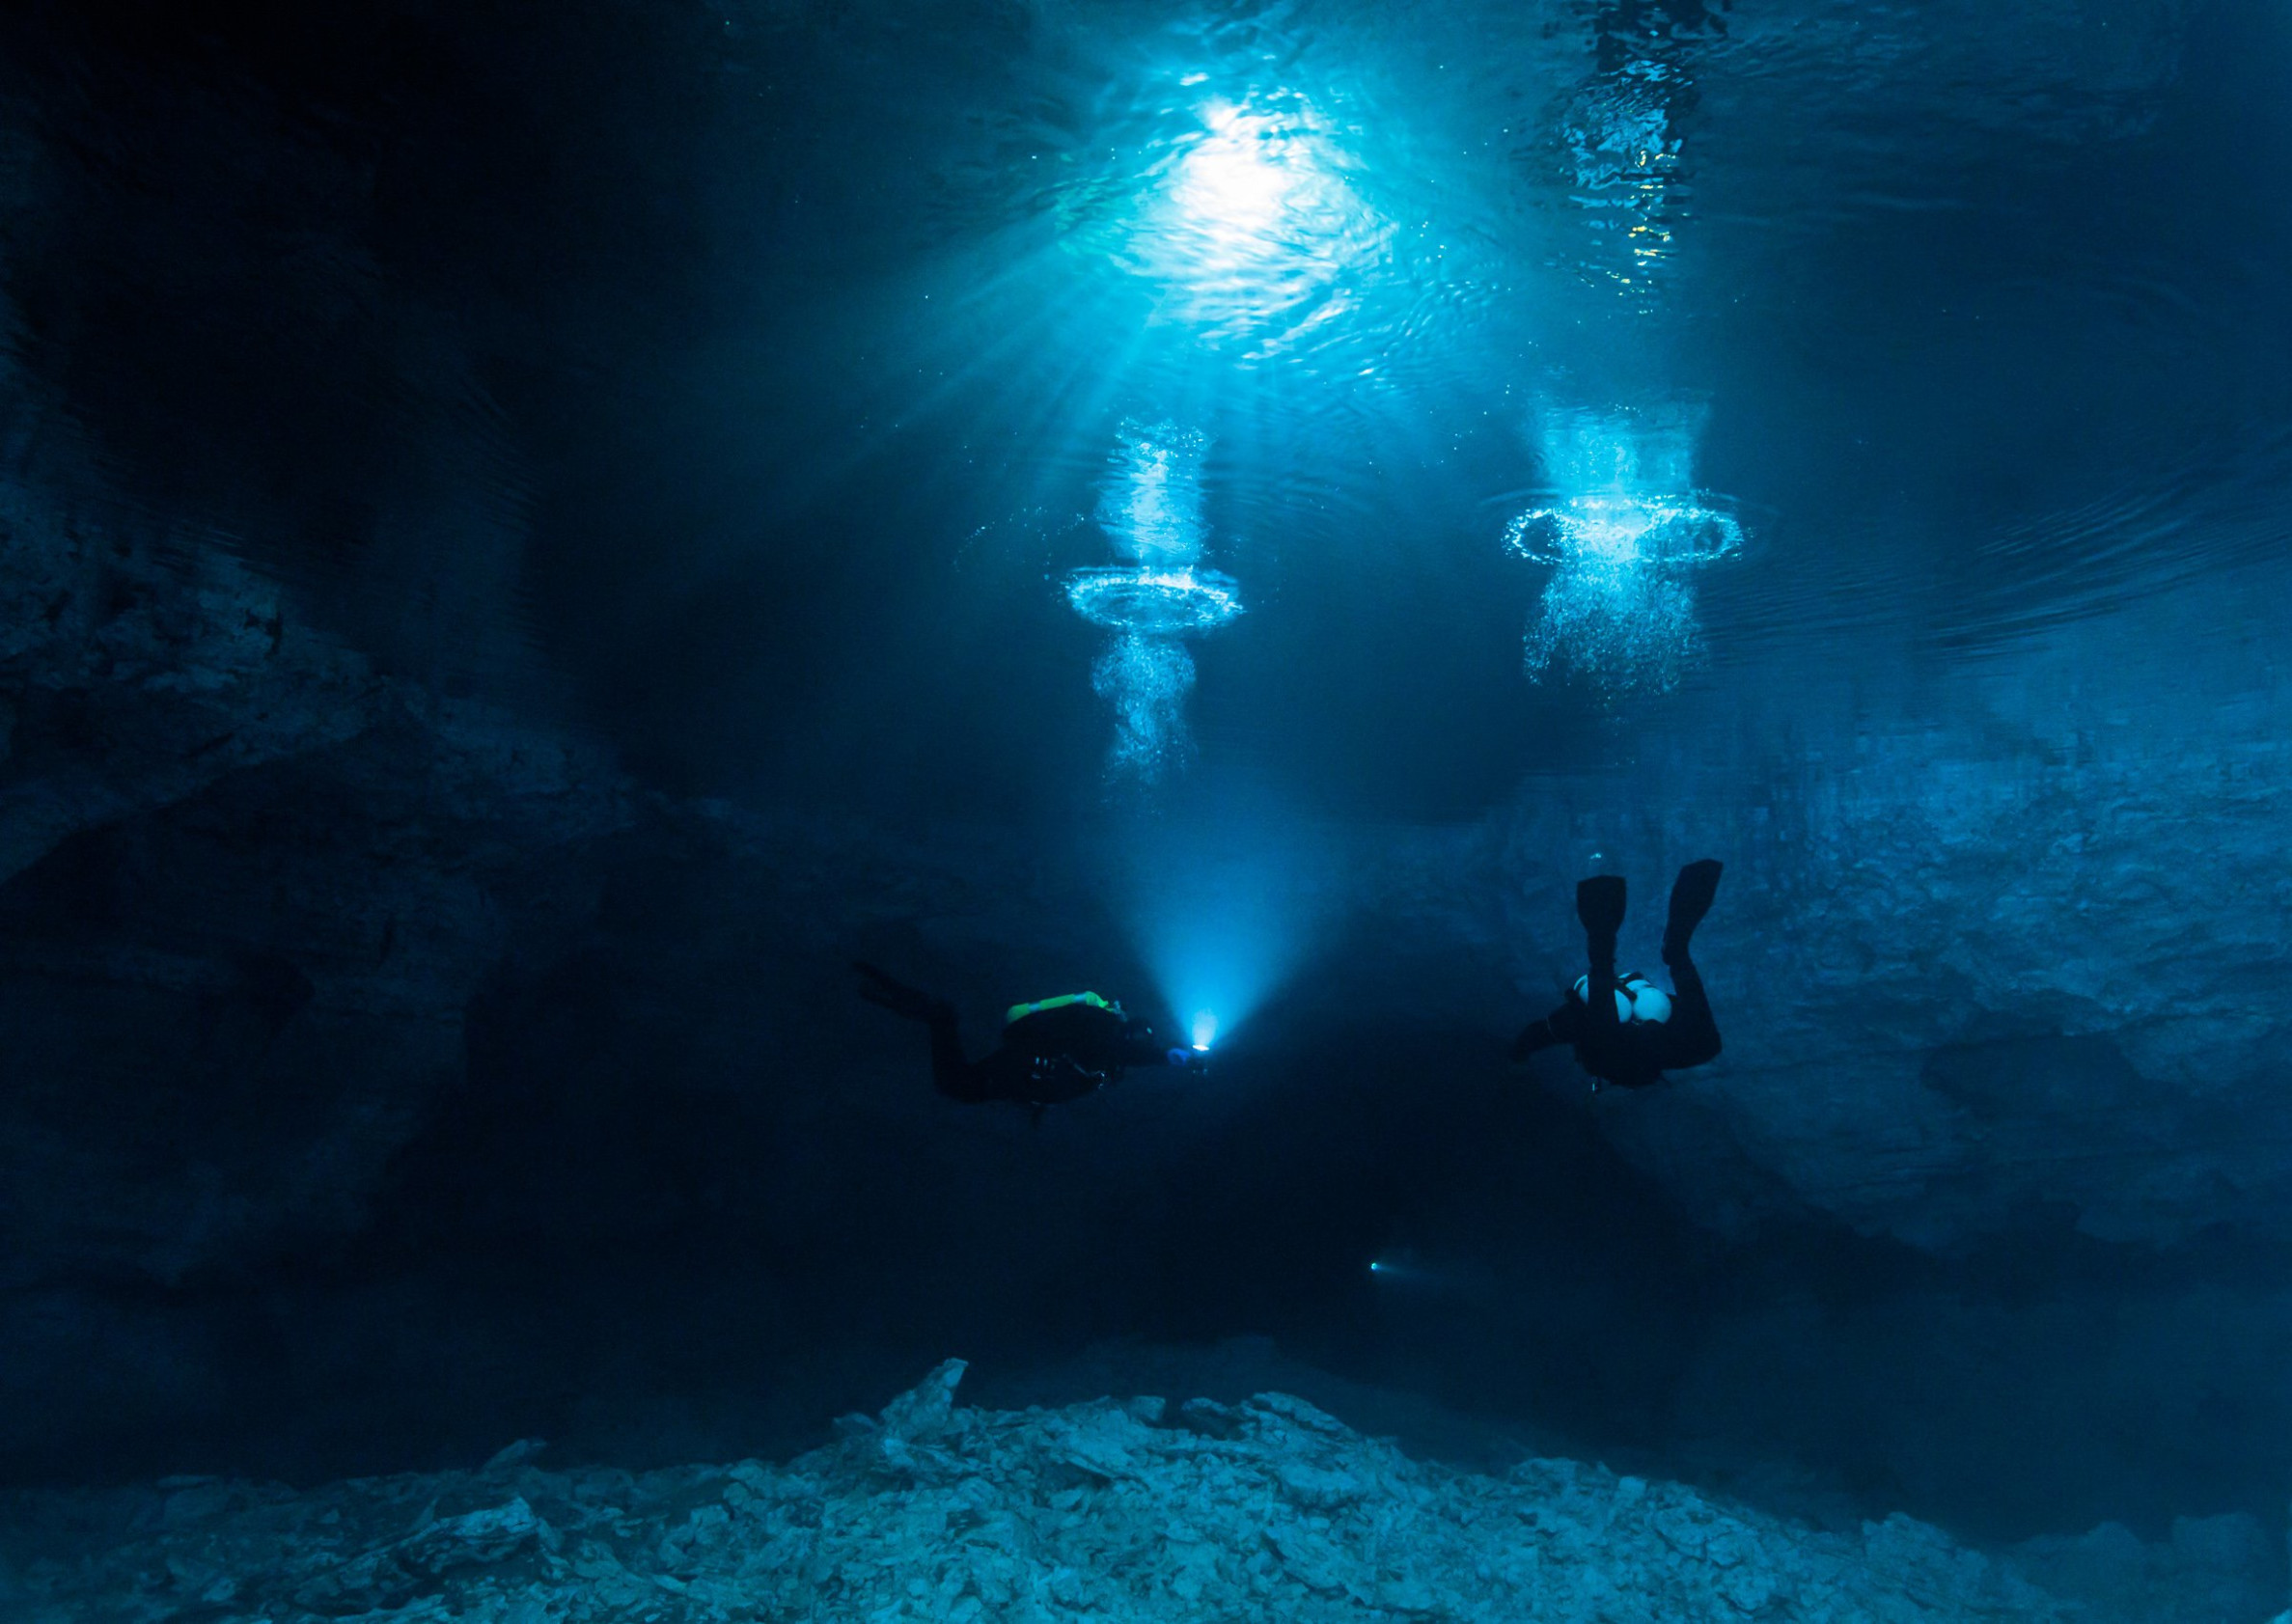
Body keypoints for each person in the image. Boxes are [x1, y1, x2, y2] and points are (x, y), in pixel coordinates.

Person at [855, 963, 1201, 1113]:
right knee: (955, 1085)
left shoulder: (1104, 1046)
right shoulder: (1105, 1037)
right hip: (1020, 1070)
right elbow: (1133, 1053)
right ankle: (938, 1016)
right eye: (1141, 1039)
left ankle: (937, 1016)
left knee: (956, 1083)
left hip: (1021, 1074)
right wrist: (1173, 1054)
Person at [1510, 859, 1724, 1090]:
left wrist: (1517, 1059)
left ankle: (1672, 953)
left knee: (1608, 1038)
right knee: (1704, 1045)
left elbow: (1535, 1035)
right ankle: (1675, 952)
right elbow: (1535, 1035)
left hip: (1634, 1045)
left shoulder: (1577, 1019)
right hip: (1651, 1039)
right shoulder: (1582, 1018)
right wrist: (1518, 1057)